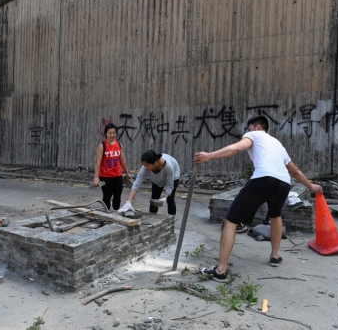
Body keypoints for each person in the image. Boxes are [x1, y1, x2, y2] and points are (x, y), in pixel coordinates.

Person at [194, 115, 323, 282]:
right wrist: (310, 186)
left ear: (257, 127)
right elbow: (295, 171)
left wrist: (209, 156)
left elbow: (237, 148)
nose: (247, 133)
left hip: (264, 179)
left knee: (230, 221)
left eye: (249, 129)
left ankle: (220, 271)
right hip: (283, 183)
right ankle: (275, 256)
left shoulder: (255, 135)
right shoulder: (278, 144)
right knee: (276, 215)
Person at [120, 150, 180, 215]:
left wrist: (164, 198)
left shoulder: (168, 167)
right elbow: (137, 183)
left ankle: (171, 220)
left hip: (173, 175)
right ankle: (152, 218)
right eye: (144, 165)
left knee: (170, 199)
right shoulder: (146, 167)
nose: (145, 167)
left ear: (155, 162)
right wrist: (128, 202)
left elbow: (170, 185)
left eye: (147, 165)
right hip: (157, 178)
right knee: (154, 198)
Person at [93, 123, 132, 211]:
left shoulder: (119, 144)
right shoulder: (102, 146)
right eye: (110, 133)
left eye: (114, 133)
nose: (112, 135)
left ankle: (116, 213)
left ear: (116, 133)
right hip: (106, 176)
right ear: (106, 133)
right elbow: (98, 162)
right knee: (107, 196)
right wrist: (96, 177)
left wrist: (127, 172)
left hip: (118, 175)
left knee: (117, 196)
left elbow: (122, 159)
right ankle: (106, 213)